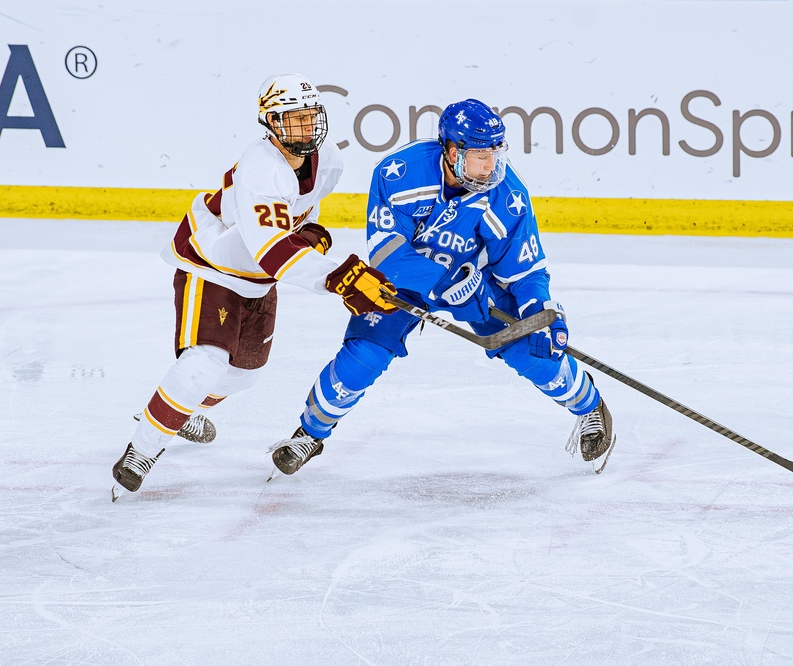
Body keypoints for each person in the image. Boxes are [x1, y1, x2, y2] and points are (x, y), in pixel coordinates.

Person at [268, 98, 614, 476]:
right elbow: (387, 254)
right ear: (451, 151)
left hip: (480, 285)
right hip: (410, 279)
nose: (490, 165)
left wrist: (539, 312)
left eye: (495, 153)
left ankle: (589, 406)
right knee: (365, 355)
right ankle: (310, 433)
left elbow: (525, 269)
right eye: (479, 155)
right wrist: (445, 282)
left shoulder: (508, 194)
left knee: (530, 351)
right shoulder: (399, 173)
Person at [111, 73, 397, 497]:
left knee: (243, 375)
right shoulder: (260, 168)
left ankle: (184, 410)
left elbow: (300, 211)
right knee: (204, 362)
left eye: (311, 117)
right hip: (210, 264)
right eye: (293, 120)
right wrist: (338, 278)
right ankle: (143, 450)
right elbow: (272, 250)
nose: (306, 128)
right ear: (271, 124)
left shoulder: (329, 159)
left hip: (257, 279)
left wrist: (313, 230)